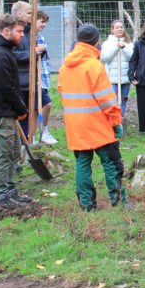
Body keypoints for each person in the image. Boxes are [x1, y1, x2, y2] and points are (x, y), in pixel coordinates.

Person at [59, 24, 129, 211]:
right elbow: (107, 99)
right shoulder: (94, 65)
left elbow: (62, 93)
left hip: (76, 125)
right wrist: (116, 122)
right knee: (111, 162)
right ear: (96, 41)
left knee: (82, 163)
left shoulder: (65, 66)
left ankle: (87, 205)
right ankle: (119, 201)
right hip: (98, 125)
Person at [0, 14, 32, 208]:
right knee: (3, 155)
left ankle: (11, 191)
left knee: (12, 153)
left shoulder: (5, 51)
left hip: (8, 112)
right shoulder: (0, 55)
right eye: (19, 31)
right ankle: (2, 196)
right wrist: (21, 108)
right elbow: (6, 87)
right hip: (1, 112)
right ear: (6, 31)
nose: (21, 35)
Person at [10, 0, 44, 140]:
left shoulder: (30, 32)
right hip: (18, 81)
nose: (32, 16)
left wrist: (40, 52)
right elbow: (11, 55)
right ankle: (19, 145)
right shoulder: (12, 32)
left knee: (29, 114)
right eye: (30, 13)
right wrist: (32, 53)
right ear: (19, 14)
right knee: (19, 115)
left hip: (30, 81)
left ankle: (26, 144)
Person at [101, 20, 134, 120]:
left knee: (123, 100)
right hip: (112, 78)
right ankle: (111, 120)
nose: (119, 29)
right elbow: (105, 58)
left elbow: (132, 58)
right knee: (112, 100)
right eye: (117, 27)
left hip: (125, 77)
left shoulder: (129, 43)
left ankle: (121, 120)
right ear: (113, 30)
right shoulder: (107, 43)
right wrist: (116, 48)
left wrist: (124, 47)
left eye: (121, 27)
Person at [33, 10, 56, 144]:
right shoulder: (27, 38)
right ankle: (35, 134)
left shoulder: (41, 38)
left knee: (42, 105)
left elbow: (45, 60)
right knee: (41, 106)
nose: (44, 25)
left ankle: (43, 131)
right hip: (33, 79)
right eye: (42, 22)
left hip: (43, 78)